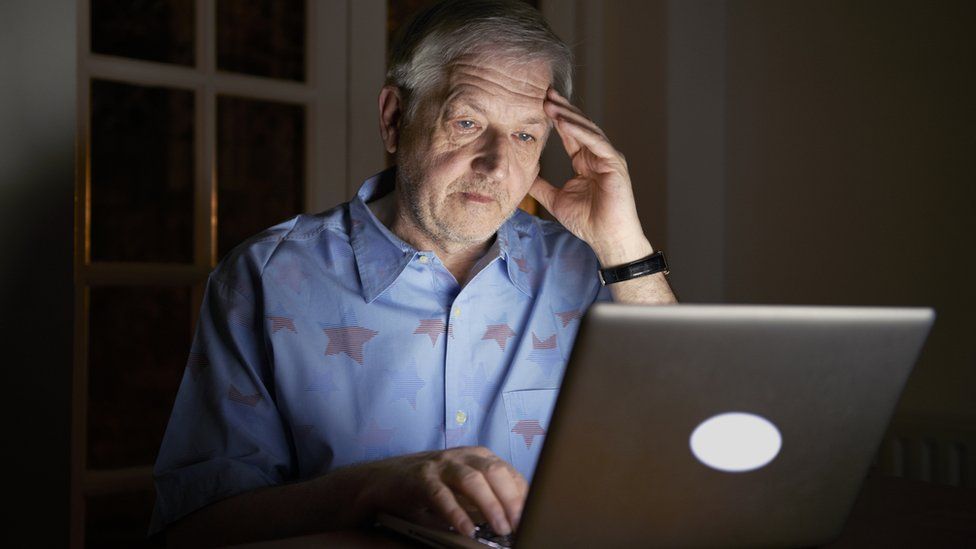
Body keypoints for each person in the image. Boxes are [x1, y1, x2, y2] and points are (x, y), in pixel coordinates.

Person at [151, 0, 676, 545]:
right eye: (467, 122)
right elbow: (193, 529)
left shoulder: (589, 270)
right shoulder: (264, 277)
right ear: (394, 119)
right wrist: (370, 488)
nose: (497, 165)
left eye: (525, 135)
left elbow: (683, 438)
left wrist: (624, 245)